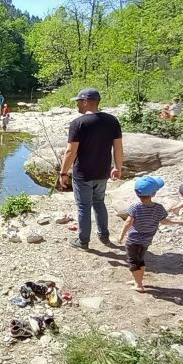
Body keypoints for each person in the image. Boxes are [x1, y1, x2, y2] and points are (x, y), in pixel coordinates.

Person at [57, 87, 124, 249]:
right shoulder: (112, 121)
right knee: (99, 202)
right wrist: (117, 167)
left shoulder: (78, 123)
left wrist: (63, 173)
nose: (77, 105)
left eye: (79, 102)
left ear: (86, 102)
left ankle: (83, 241)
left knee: (83, 206)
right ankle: (104, 235)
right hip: (102, 172)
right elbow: (118, 148)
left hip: (83, 173)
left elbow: (70, 151)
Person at [117, 176, 183, 292]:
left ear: (136, 193)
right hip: (146, 241)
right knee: (141, 260)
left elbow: (128, 222)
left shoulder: (135, 207)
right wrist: (178, 222)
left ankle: (138, 285)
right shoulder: (158, 208)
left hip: (133, 241)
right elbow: (164, 221)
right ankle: (138, 280)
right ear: (154, 193)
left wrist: (121, 236)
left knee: (133, 262)